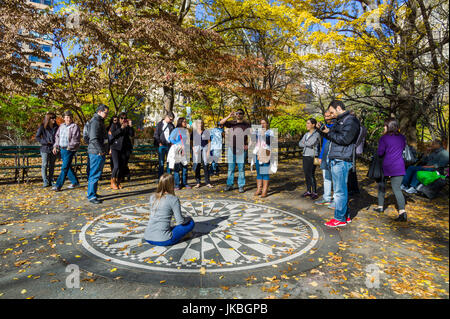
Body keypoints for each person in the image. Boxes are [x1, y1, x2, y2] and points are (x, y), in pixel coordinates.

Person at [317, 100, 360, 227]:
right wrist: (322, 131)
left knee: (339, 191)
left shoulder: (351, 121)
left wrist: (328, 132)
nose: (330, 114)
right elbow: (332, 137)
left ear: (339, 108)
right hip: (336, 158)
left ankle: (339, 218)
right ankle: (345, 216)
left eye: (332, 111)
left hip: (342, 159)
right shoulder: (340, 121)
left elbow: (344, 139)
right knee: (340, 190)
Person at [144, 173, 195, 246]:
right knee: (191, 223)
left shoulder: (152, 197)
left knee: (171, 227)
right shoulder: (173, 199)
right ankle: (182, 236)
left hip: (147, 236)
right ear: (172, 184)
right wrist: (188, 218)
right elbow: (180, 221)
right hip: (164, 240)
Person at [376, 118, 408, 222]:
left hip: (386, 165)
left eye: (385, 125)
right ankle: (402, 212)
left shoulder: (384, 138)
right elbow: (403, 148)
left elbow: (380, 152)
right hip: (399, 165)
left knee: (381, 185)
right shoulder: (402, 137)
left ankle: (380, 207)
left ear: (388, 126)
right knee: (397, 189)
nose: (384, 127)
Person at [220, 108, 251, 193]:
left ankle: (241, 185)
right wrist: (229, 116)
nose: (238, 115)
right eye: (237, 113)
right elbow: (221, 122)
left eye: (240, 113)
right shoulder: (232, 123)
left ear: (243, 115)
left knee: (241, 168)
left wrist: (248, 145)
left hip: (241, 149)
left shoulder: (246, 124)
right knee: (231, 168)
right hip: (231, 148)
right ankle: (229, 184)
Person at [52, 110, 81, 191]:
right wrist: (55, 146)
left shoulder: (74, 126)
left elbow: (75, 139)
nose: (68, 119)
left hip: (69, 149)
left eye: (70, 117)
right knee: (67, 166)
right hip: (62, 149)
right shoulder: (61, 126)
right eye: (67, 117)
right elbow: (57, 137)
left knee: (64, 167)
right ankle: (75, 182)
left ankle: (58, 185)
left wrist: (69, 147)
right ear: (64, 118)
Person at [87, 104, 109, 204]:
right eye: (106, 113)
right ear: (99, 111)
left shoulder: (99, 121)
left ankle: (93, 193)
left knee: (96, 173)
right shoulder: (96, 122)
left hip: (98, 151)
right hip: (96, 152)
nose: (107, 115)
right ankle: (91, 196)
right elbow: (94, 138)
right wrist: (101, 150)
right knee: (94, 174)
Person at [108, 112, 135, 190]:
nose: (123, 120)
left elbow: (132, 134)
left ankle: (118, 182)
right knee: (116, 166)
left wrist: (130, 126)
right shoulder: (115, 125)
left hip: (124, 149)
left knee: (121, 167)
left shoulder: (127, 126)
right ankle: (112, 182)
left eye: (125, 118)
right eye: (122, 118)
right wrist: (121, 128)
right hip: (115, 148)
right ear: (119, 118)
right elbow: (113, 134)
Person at [314, 111, 335, 207]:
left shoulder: (336, 127)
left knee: (335, 179)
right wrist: (320, 156)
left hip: (334, 156)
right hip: (325, 155)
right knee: (326, 178)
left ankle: (335, 200)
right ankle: (326, 198)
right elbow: (324, 143)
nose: (326, 118)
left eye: (328, 116)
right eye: (325, 116)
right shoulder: (324, 127)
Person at [298, 118, 321, 200]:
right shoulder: (306, 134)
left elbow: (311, 143)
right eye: (306, 123)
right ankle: (308, 190)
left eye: (308, 123)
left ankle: (314, 192)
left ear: (313, 125)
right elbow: (300, 143)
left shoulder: (316, 134)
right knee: (306, 174)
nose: (306, 125)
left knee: (311, 173)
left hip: (312, 156)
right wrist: (305, 143)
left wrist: (304, 143)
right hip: (305, 155)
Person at [36, 112, 58, 188]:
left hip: (54, 148)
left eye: (55, 118)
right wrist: (45, 142)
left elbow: (58, 137)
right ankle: (45, 181)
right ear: (48, 119)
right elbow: (37, 137)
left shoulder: (56, 127)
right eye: (53, 118)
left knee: (52, 165)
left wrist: (56, 145)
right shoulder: (43, 127)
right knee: (44, 165)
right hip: (45, 148)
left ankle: (51, 180)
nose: (54, 119)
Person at [253, 118, 274, 198]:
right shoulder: (258, 131)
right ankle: (259, 189)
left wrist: (264, 135)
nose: (262, 125)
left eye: (264, 123)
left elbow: (270, 142)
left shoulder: (270, 132)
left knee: (265, 172)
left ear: (267, 124)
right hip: (258, 153)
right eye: (261, 123)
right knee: (258, 172)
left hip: (266, 153)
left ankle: (265, 191)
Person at [168, 117, 191, 190]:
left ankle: (184, 183)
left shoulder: (186, 130)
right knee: (177, 168)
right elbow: (170, 139)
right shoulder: (176, 130)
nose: (185, 123)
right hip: (178, 150)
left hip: (184, 150)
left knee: (185, 168)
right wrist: (178, 144)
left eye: (186, 121)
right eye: (184, 122)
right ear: (180, 122)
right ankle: (177, 184)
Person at [192, 119, 213, 188]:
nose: (200, 125)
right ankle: (198, 182)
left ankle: (207, 182)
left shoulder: (206, 132)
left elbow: (209, 142)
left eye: (201, 123)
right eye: (198, 123)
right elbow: (191, 141)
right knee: (197, 166)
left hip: (205, 150)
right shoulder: (194, 132)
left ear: (203, 124)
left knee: (206, 166)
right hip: (196, 150)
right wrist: (193, 148)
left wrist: (208, 152)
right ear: (196, 124)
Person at [154, 114, 175, 179]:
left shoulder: (171, 125)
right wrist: (159, 143)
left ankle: (168, 177)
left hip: (169, 146)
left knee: (169, 161)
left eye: (172, 119)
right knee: (161, 162)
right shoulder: (159, 124)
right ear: (166, 117)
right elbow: (156, 135)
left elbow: (174, 134)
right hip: (162, 146)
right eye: (170, 119)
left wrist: (173, 142)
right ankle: (161, 177)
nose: (171, 120)